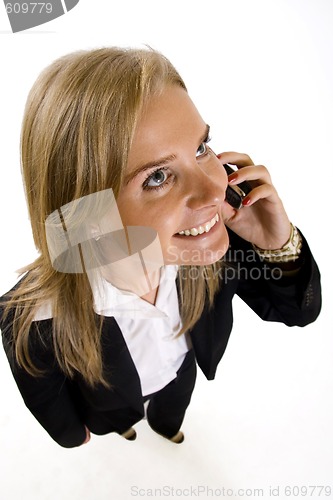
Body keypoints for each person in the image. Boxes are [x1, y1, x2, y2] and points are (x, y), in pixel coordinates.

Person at [0, 47, 321, 448]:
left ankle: (167, 426)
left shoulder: (213, 245)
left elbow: (298, 311)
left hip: (180, 372)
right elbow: (44, 390)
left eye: (201, 148)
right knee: (121, 417)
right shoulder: (33, 315)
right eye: (157, 177)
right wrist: (71, 434)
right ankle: (127, 426)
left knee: (172, 408)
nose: (214, 187)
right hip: (110, 408)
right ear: (86, 214)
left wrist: (277, 244)